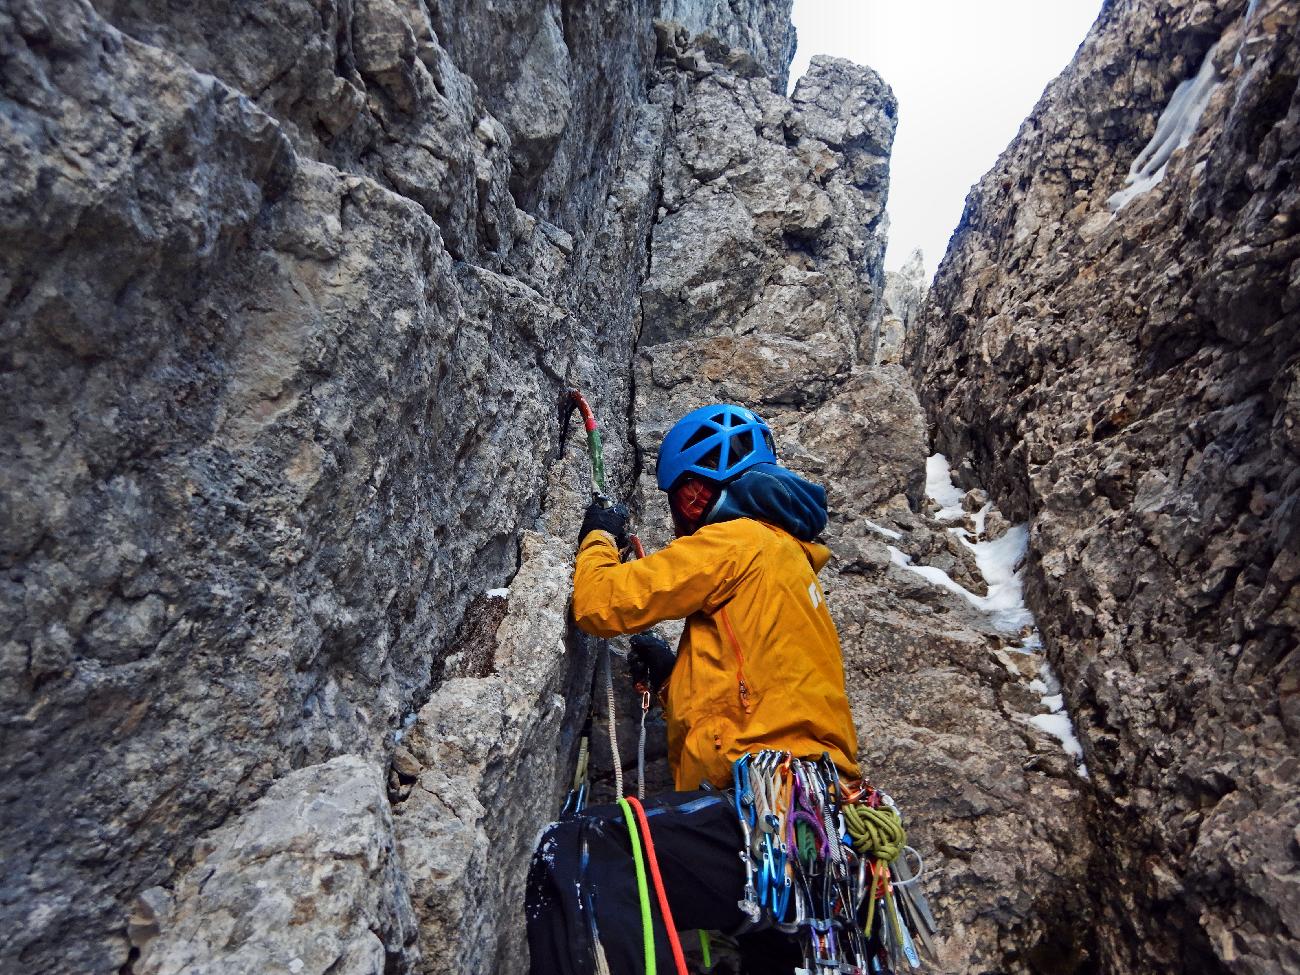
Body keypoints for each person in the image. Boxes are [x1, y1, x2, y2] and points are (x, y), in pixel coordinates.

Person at [527, 403, 862, 975]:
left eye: (689, 498)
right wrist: (668, 674)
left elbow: (601, 601)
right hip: (813, 836)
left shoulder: (738, 540)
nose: (686, 518)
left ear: (721, 490)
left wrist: (599, 539)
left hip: (768, 813)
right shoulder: (785, 563)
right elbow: (741, 687)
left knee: (584, 853)